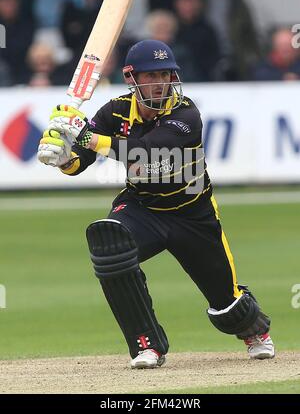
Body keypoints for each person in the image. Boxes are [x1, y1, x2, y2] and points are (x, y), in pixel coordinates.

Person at [37, 40, 275, 368]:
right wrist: (64, 157)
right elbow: (82, 161)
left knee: (226, 307)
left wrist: (84, 136)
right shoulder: (115, 111)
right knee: (110, 245)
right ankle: (147, 345)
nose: (161, 82)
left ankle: (255, 330)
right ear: (132, 78)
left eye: (166, 74)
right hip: (143, 207)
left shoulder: (186, 114)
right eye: (152, 75)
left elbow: (145, 151)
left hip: (192, 212)